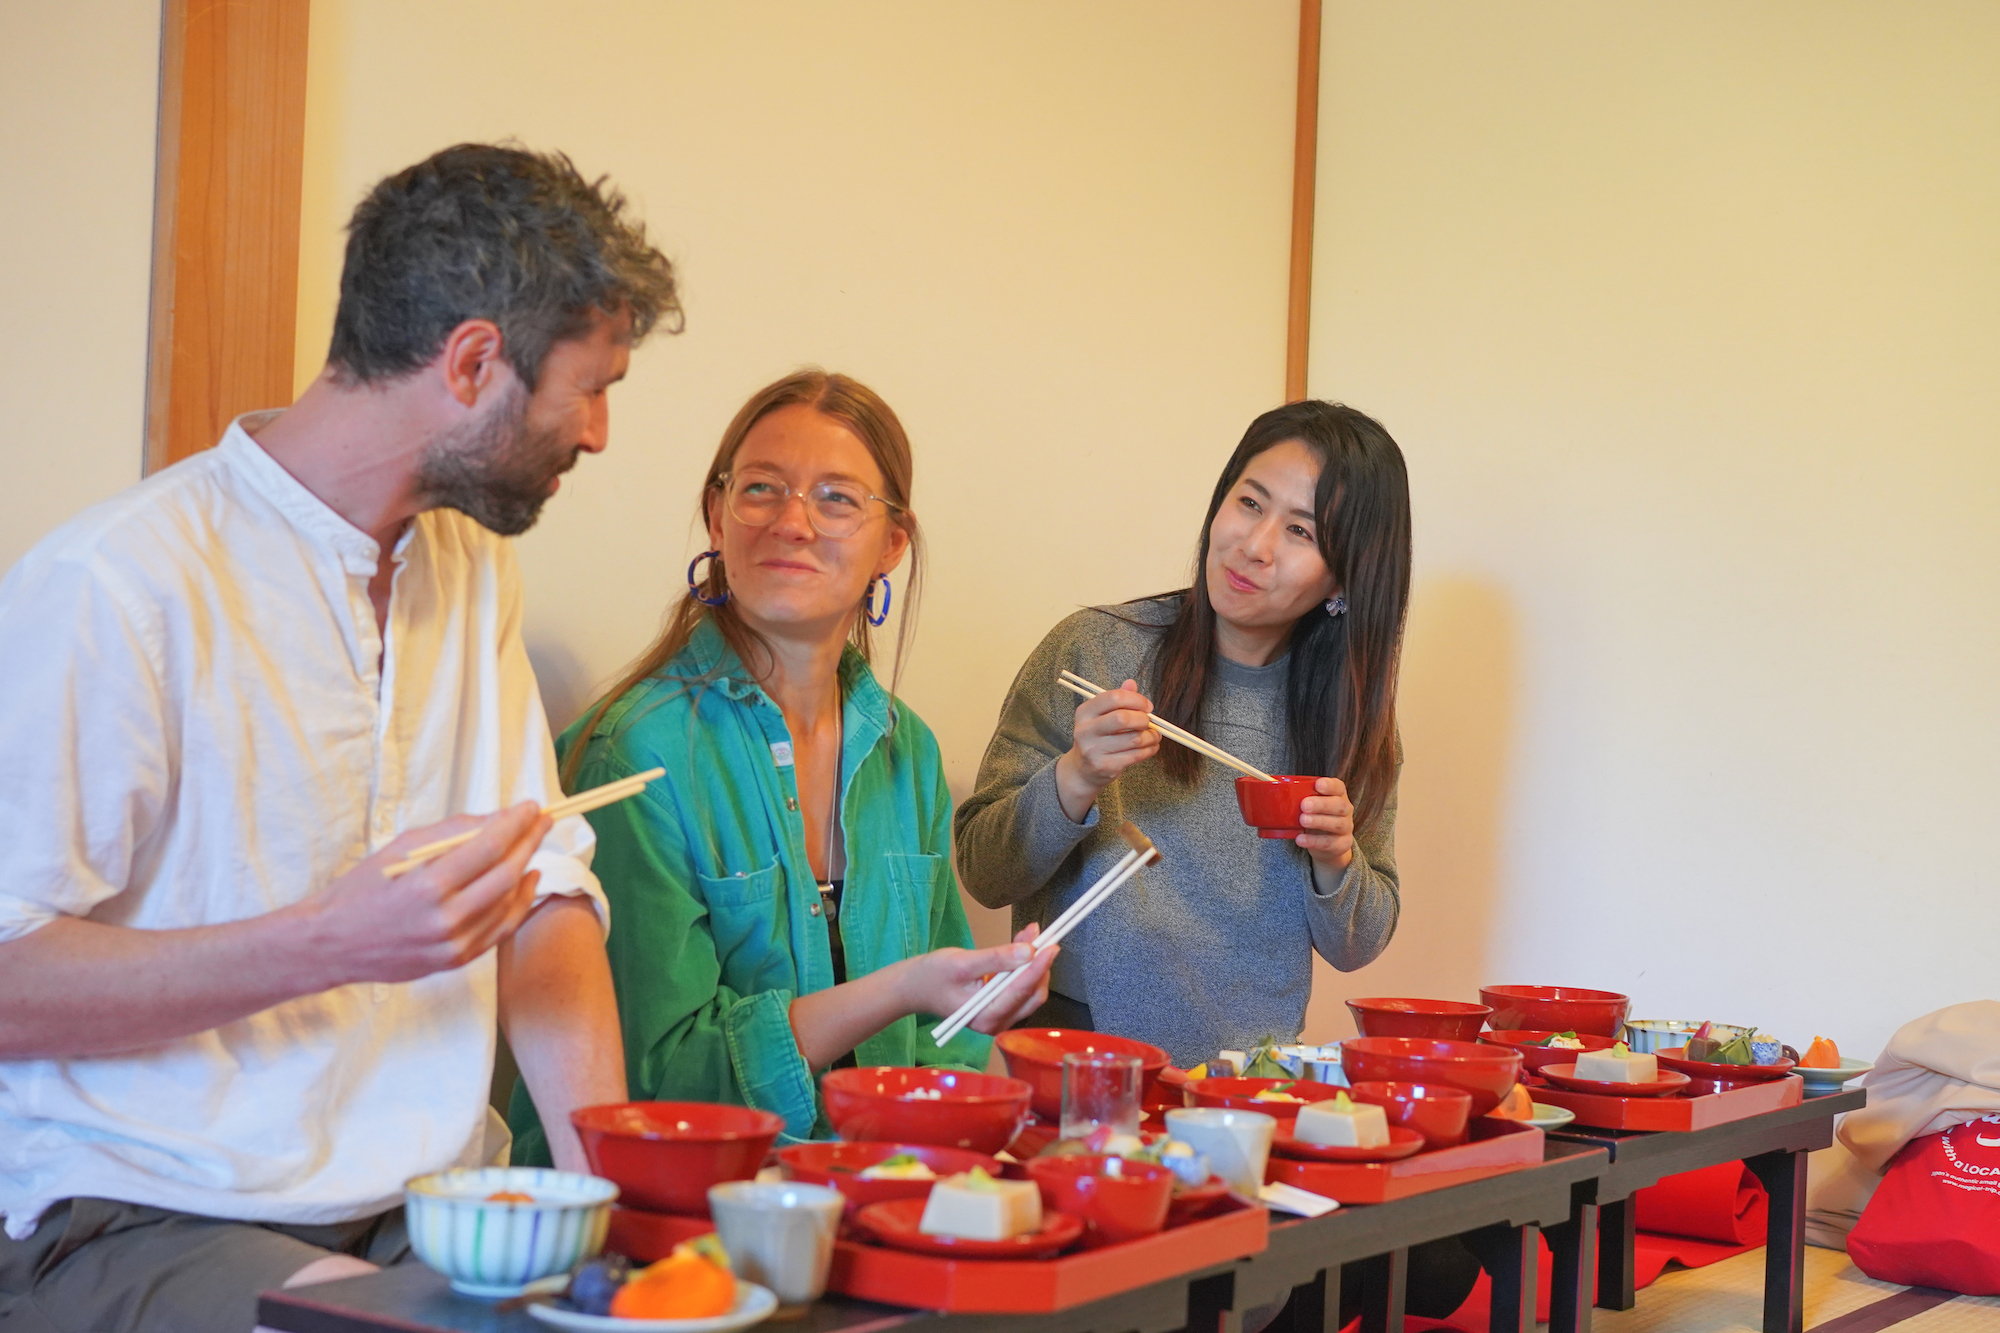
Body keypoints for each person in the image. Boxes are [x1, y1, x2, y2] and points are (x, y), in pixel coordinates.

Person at [0, 144, 679, 1333]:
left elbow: (544, 894)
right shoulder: (118, 585)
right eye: (591, 384)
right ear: (473, 361)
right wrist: (326, 942)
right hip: (139, 1210)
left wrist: (605, 1221)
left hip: (423, 1210)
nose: (601, 431)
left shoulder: (466, 571)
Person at [509, 370, 1053, 1158]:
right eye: (762, 488)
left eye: (836, 497)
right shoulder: (634, 753)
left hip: (870, 1200)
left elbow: (943, 1048)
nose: (792, 522)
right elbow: (659, 1080)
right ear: (716, 515)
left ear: (890, 543)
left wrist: (978, 1008)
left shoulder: (908, 750)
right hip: (671, 1215)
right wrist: (899, 988)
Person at [954, 400, 1410, 1067]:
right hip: (1081, 1062)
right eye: (1249, 502)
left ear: (1343, 582)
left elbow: (1356, 943)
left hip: (1252, 1074)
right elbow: (983, 868)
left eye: (1301, 533)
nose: (1254, 545)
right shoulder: (1095, 651)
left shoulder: (1352, 718)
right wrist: (1075, 777)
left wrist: (1337, 859)